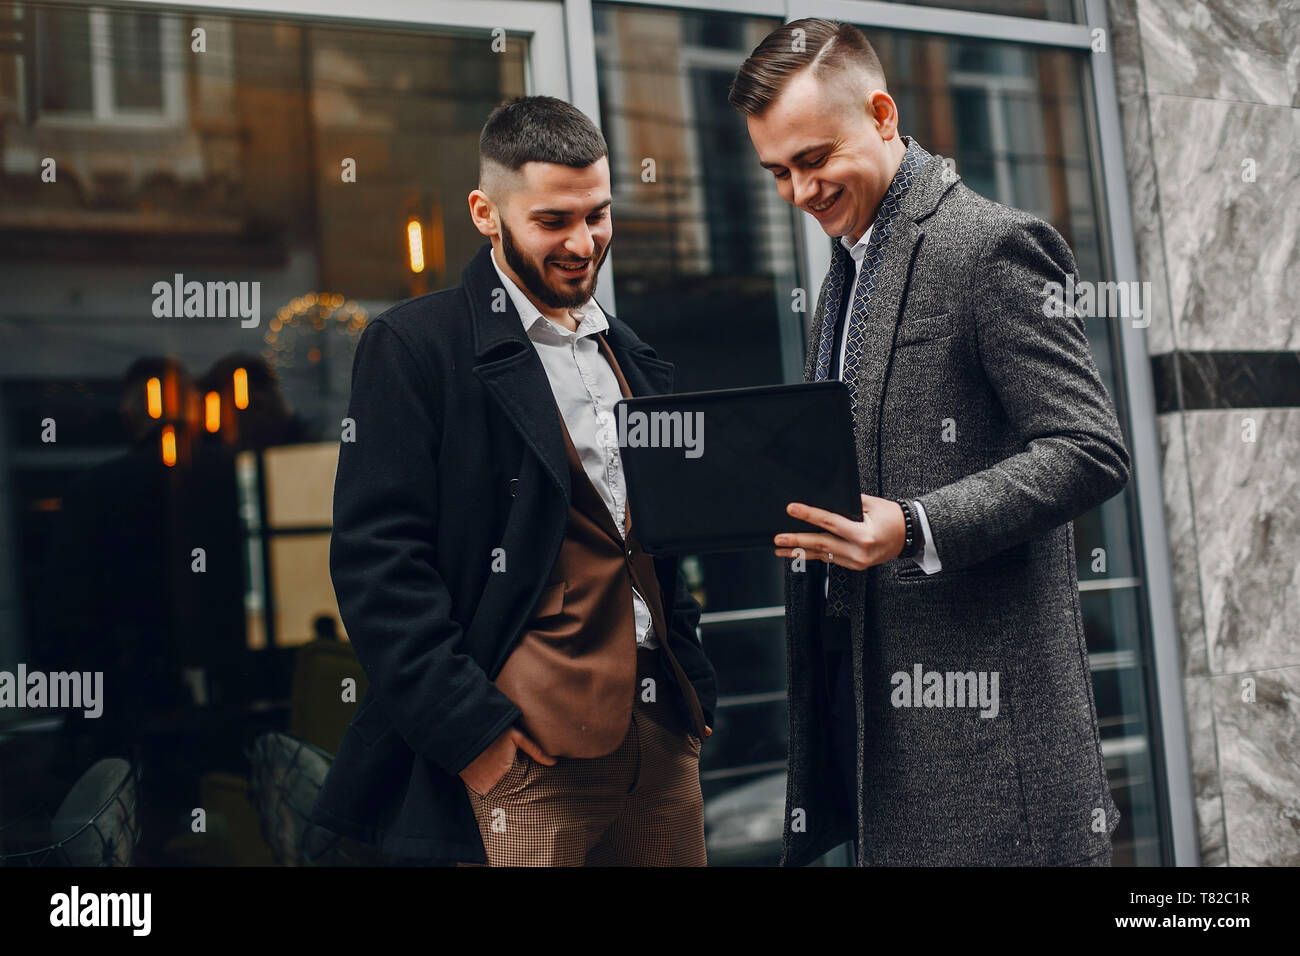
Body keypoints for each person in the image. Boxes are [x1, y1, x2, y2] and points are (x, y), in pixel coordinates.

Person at [729, 18, 1131, 865]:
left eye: (812, 160)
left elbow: (1089, 447)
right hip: (882, 726)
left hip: (990, 747)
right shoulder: (849, 265)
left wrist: (914, 526)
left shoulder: (991, 246)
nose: (798, 192)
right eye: (777, 173)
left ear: (881, 114)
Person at [310, 95, 717, 866]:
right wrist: (475, 738)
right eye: (552, 220)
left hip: (660, 739)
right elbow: (377, 567)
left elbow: (657, 541)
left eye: (597, 215)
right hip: (526, 757)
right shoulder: (414, 346)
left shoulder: (632, 355)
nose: (583, 241)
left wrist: (692, 681)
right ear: (484, 213)